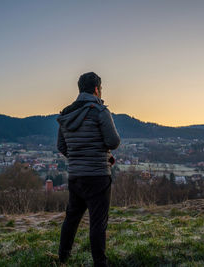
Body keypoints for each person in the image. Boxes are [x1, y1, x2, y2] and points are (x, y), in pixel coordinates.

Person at [56, 72, 120, 266]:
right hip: (98, 176)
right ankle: (100, 263)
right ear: (96, 89)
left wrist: (78, 158)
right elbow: (113, 141)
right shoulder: (100, 111)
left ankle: (62, 258)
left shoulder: (66, 114)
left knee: (71, 219)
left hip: (76, 177)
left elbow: (61, 146)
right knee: (98, 223)